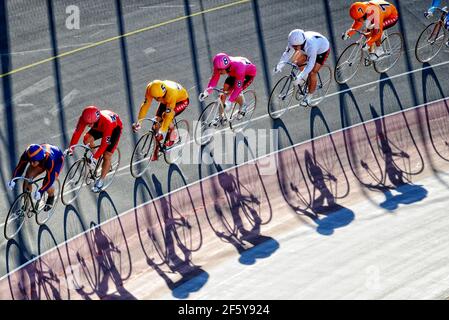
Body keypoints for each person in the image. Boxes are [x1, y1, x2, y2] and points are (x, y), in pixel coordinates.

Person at [67, 106, 122, 193]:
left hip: (113, 129)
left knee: (107, 155)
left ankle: (101, 181)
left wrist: (95, 157)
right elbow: (77, 132)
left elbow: (104, 145)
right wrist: (71, 148)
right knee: (86, 139)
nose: (88, 125)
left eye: (90, 123)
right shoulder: (84, 118)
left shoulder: (107, 123)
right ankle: (94, 160)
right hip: (99, 127)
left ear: (96, 120)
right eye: (87, 123)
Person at [131, 80, 189, 161]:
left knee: (166, 116)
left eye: (163, 96)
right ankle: (156, 151)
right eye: (160, 98)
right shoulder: (150, 88)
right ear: (156, 97)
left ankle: (173, 135)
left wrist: (162, 131)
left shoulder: (170, 94)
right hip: (167, 100)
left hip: (181, 101)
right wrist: (139, 122)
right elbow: (145, 105)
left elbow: (168, 116)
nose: (161, 98)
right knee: (156, 125)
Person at [274, 29, 330, 107]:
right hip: (308, 48)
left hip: (321, 50)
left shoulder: (311, 46)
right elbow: (287, 54)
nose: (294, 47)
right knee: (295, 62)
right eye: (293, 46)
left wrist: (299, 76)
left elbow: (310, 64)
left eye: (295, 46)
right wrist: (279, 65)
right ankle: (305, 80)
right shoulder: (294, 42)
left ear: (302, 43)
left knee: (312, 72)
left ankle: (309, 97)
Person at [199, 52, 257, 124]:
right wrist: (206, 92)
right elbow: (214, 79)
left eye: (220, 70)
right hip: (234, 72)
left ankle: (243, 106)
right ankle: (221, 117)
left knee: (233, 92)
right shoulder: (220, 66)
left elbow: (237, 88)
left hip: (246, 74)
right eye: (218, 69)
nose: (219, 71)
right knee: (224, 90)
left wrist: (230, 101)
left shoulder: (239, 69)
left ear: (227, 68)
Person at [8, 144, 64, 211]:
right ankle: (26, 204)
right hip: (41, 159)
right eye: (30, 161)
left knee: (46, 183)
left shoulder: (50, 160)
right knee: (27, 178)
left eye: (33, 161)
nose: (31, 164)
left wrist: (40, 191)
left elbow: (50, 180)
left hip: (57, 161)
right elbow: (20, 167)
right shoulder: (27, 154)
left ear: (40, 159)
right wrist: (13, 180)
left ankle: (51, 196)